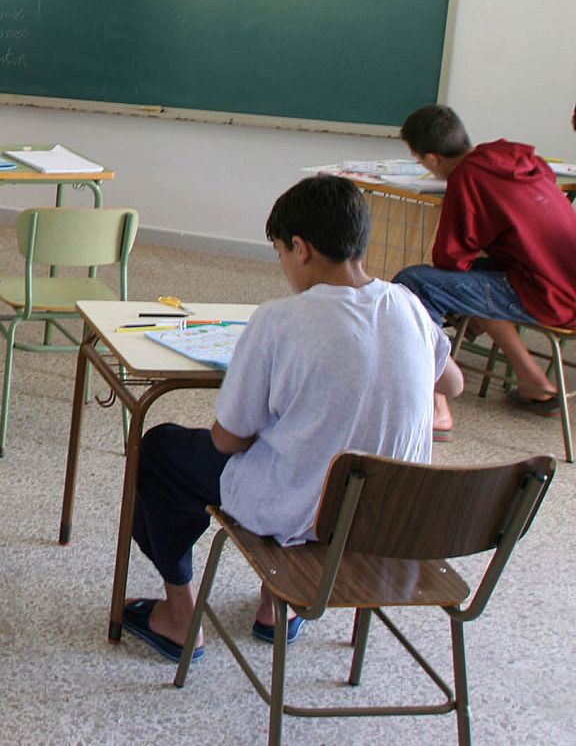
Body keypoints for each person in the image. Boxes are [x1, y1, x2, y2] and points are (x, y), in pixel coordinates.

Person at [122, 175, 461, 663]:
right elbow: (452, 385)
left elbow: (227, 440)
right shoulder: (407, 304)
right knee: (307, 444)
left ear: (300, 248)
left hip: (305, 512)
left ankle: (180, 618)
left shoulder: (279, 320)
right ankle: (274, 603)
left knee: (160, 450)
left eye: (280, 251)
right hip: (387, 519)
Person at [393, 105, 576, 432]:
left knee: (414, 282)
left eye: (420, 160)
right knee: (466, 281)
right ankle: (531, 377)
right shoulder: (514, 155)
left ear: (433, 159)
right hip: (559, 275)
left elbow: (449, 258)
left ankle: (436, 406)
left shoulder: (467, 178)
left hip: (552, 295)